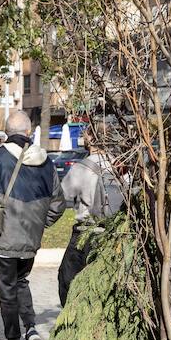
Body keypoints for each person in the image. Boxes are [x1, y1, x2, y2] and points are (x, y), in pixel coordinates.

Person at [0, 111, 65, 340]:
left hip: (2, 237)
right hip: (30, 240)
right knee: (21, 282)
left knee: (7, 291)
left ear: (6, 131)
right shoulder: (47, 163)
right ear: (29, 132)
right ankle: (31, 329)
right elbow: (58, 204)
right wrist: (39, 225)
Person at [57, 129, 123, 306]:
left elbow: (64, 194)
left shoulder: (82, 167)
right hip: (113, 235)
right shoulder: (120, 166)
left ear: (91, 139)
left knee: (68, 281)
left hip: (84, 234)